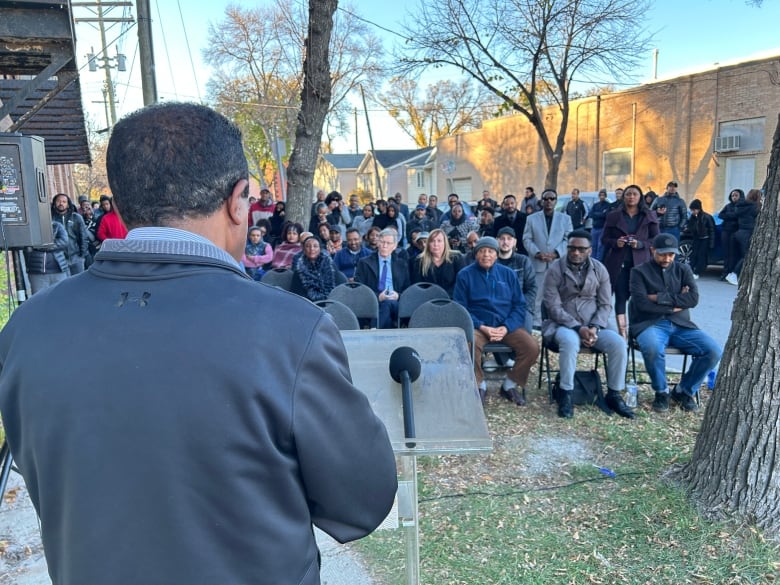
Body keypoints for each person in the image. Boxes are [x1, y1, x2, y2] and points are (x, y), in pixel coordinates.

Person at [0, 102, 397, 585]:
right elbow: (362, 501)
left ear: (122, 207)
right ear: (238, 200)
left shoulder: (26, 329)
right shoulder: (290, 332)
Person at [542, 230, 633, 419]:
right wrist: (577, 327)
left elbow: (606, 304)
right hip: (563, 325)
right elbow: (553, 307)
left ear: (589, 250)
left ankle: (614, 394)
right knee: (570, 342)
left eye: (581, 249)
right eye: (572, 248)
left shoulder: (600, 270)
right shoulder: (555, 270)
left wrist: (594, 327)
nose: (576, 252)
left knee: (618, 344)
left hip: (594, 325)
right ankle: (566, 393)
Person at [629, 233, 722, 412]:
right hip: (650, 324)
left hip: (681, 325)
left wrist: (657, 297)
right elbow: (641, 304)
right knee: (653, 348)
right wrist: (676, 302)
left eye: (671, 254)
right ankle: (661, 393)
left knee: (713, 351)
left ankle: (683, 391)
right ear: (652, 250)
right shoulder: (638, 272)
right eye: (662, 254)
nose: (667, 258)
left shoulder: (683, 270)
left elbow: (693, 299)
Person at [454, 236, 540, 405]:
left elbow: (519, 305)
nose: (486, 255)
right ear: (476, 254)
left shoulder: (508, 274)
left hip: (505, 325)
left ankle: (509, 385)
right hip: (479, 326)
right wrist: (482, 326)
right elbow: (460, 308)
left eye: (491, 251)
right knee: (469, 344)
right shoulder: (465, 275)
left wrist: (506, 327)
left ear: (497, 254)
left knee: (531, 348)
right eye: (482, 251)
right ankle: (480, 384)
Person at [601, 184, 659, 339]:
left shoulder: (649, 215)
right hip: (619, 264)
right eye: (628, 194)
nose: (631, 197)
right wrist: (616, 242)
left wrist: (641, 244)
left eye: (634, 194)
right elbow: (604, 239)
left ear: (640, 197)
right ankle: (623, 336)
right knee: (620, 298)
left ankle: (638, 333)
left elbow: (656, 240)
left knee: (639, 299)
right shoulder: (614, 215)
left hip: (640, 265)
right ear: (623, 197)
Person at [522, 189, 573, 328]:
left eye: (552, 198)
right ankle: (537, 325)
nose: (549, 201)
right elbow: (526, 239)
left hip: (558, 263)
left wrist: (557, 253)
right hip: (538, 263)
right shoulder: (531, 218)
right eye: (546, 199)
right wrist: (537, 253)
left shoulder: (565, 219)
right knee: (537, 296)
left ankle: (558, 323)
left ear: (556, 201)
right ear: (541, 201)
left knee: (559, 296)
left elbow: (569, 239)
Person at [354, 227, 411, 328]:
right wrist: (378, 297)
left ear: (394, 246)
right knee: (386, 311)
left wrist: (398, 296)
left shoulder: (401, 264)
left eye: (388, 243)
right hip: (373, 303)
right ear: (378, 243)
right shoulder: (364, 263)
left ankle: (374, 331)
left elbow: (408, 290)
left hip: (396, 304)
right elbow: (359, 289)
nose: (384, 246)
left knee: (387, 303)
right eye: (382, 242)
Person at [495, 227, 536, 333]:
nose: (505, 242)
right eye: (502, 239)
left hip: (522, 306)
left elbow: (532, 288)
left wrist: (520, 304)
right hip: (496, 306)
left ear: (514, 242)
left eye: (509, 239)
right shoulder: (491, 262)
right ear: (497, 241)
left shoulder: (523, 261)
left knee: (524, 337)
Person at [411, 228, 465, 297]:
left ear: (445, 243)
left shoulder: (457, 258)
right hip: (428, 300)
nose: (436, 244)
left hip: (453, 299)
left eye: (439, 241)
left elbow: (461, 283)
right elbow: (418, 286)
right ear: (428, 244)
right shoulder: (419, 261)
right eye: (432, 241)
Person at [725, 188, 762, 286]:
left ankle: (732, 273)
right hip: (747, 233)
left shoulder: (741, 206)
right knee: (746, 255)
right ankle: (733, 274)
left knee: (738, 255)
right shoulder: (755, 207)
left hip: (738, 232)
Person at [22, 221, 70, 294]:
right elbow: (27, 243)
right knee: (39, 300)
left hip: (59, 271)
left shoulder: (56, 225)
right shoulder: (29, 227)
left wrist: (42, 247)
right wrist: (47, 245)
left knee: (61, 298)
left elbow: (64, 241)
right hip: (37, 272)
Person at [51, 193, 90, 275]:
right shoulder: (50, 219)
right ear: (54, 203)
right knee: (64, 285)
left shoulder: (76, 217)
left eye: (64, 202)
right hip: (59, 259)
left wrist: (82, 255)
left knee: (78, 284)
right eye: (58, 201)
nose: (61, 203)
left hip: (76, 258)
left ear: (68, 204)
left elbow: (84, 237)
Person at [291, 236, 339, 301]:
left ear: (320, 248)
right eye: (308, 246)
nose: (312, 249)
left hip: (330, 302)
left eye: (315, 246)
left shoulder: (330, 265)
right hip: (308, 305)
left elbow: (339, 286)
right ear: (304, 249)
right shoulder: (299, 269)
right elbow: (296, 293)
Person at [682, 199, 715, 279]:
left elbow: (712, 230)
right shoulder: (693, 218)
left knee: (701, 256)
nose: (693, 212)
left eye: (694, 210)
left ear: (698, 209)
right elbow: (691, 226)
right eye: (692, 210)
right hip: (696, 238)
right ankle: (691, 270)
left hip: (705, 239)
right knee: (693, 255)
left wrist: (711, 243)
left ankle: (697, 272)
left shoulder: (707, 217)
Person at [717, 188, 744, 280]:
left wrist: (729, 216)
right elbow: (721, 215)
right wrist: (731, 216)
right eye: (732, 195)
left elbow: (738, 217)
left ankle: (731, 273)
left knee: (733, 253)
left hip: (735, 231)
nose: (734, 197)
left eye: (736, 195)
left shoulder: (742, 206)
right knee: (726, 253)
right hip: (726, 231)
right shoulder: (728, 206)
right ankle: (725, 272)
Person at [589, 188, 611, 261]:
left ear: (605, 196)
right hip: (594, 227)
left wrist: (598, 214)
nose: (602, 197)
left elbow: (606, 215)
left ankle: (598, 262)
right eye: (600, 195)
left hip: (602, 228)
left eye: (603, 195)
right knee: (593, 245)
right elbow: (591, 214)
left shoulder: (608, 205)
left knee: (600, 246)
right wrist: (601, 214)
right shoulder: (595, 205)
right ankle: (592, 260)